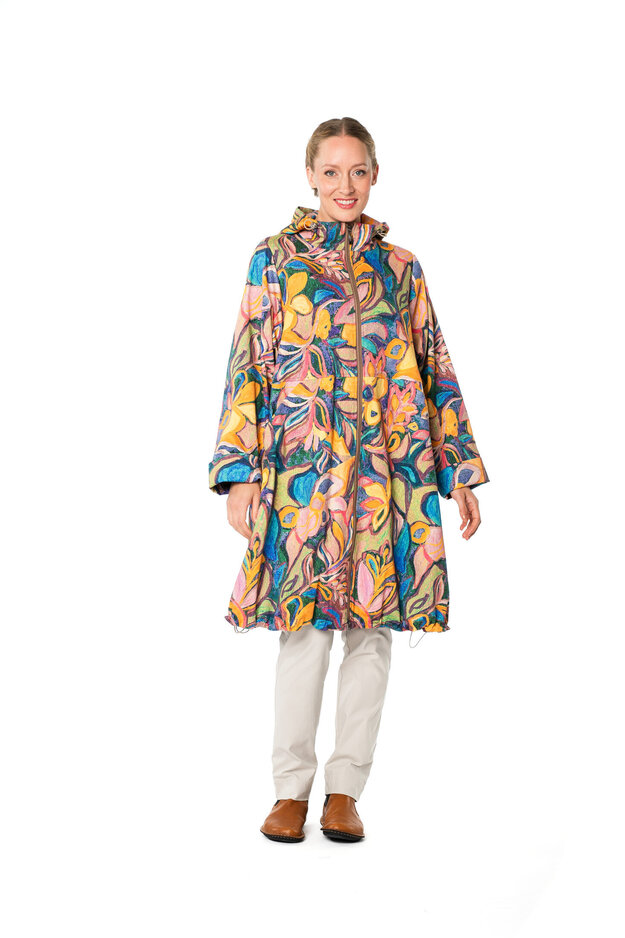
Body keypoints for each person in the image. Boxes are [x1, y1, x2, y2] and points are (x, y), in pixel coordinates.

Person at [208, 117, 490, 843]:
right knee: (302, 631)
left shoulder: (401, 268)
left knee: (372, 633)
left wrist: (458, 469)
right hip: (303, 476)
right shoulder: (273, 260)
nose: (345, 185)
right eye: (331, 171)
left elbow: (433, 366)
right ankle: (289, 792)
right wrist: (239, 474)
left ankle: (344, 792)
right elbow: (248, 364)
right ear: (309, 176)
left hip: (386, 477)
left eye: (357, 171)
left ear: (374, 176)